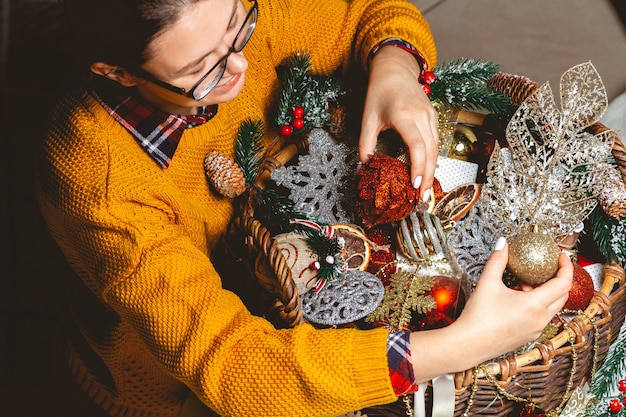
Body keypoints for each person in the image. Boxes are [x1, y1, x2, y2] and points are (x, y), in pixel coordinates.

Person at [35, 0, 573, 416]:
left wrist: (394, 67)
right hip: (177, 387)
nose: (241, 65)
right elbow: (237, 370)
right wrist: (458, 346)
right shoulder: (96, 181)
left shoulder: (244, 11)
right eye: (202, 70)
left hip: (299, 260)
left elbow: (366, 11)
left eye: (237, 27)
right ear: (118, 74)